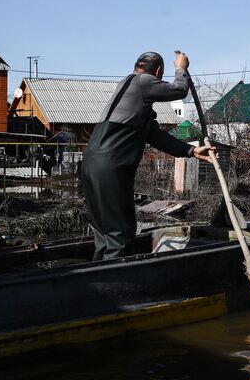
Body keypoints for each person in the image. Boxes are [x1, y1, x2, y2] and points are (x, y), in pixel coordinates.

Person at [80, 50, 215, 260]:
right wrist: (181, 68)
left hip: (91, 164)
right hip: (110, 167)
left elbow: (154, 135)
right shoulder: (142, 82)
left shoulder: (128, 91)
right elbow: (180, 90)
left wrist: (190, 150)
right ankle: (116, 285)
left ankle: (97, 275)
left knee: (105, 232)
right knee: (120, 233)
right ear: (159, 72)